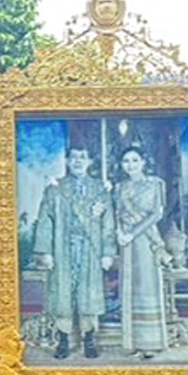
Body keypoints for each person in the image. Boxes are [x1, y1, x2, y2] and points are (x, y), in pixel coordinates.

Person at [33, 146, 114, 359]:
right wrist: (46, 251)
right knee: (62, 293)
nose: (78, 161)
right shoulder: (55, 189)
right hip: (62, 248)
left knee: (90, 293)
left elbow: (109, 223)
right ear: (68, 161)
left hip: (90, 249)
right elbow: (44, 221)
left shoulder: (100, 190)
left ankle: (89, 339)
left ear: (89, 162)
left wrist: (108, 252)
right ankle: (63, 340)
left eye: (83, 157)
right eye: (74, 157)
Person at [112, 144, 172, 358]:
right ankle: (133, 343)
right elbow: (117, 213)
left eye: (135, 160)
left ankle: (151, 344)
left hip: (146, 241)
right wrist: (120, 232)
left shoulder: (155, 184)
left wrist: (133, 233)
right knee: (129, 289)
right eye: (126, 161)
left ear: (143, 162)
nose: (131, 165)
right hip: (126, 243)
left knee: (147, 287)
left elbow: (157, 214)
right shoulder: (119, 187)